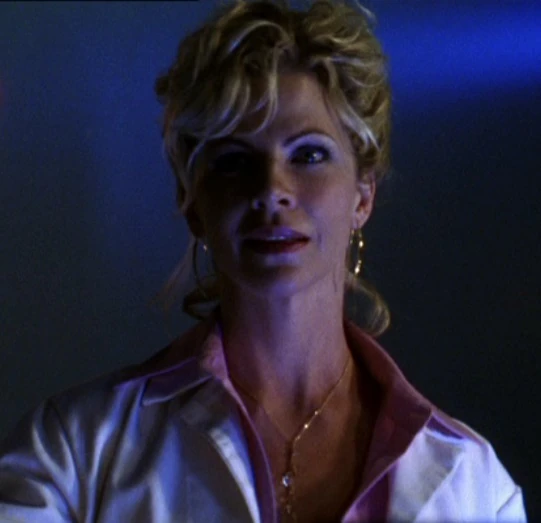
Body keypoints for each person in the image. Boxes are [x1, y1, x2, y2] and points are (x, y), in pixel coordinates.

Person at [0, 0, 527, 521]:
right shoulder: (72, 456)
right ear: (192, 203)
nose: (271, 189)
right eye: (234, 161)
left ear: (363, 194)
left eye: (309, 154)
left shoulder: (475, 487)